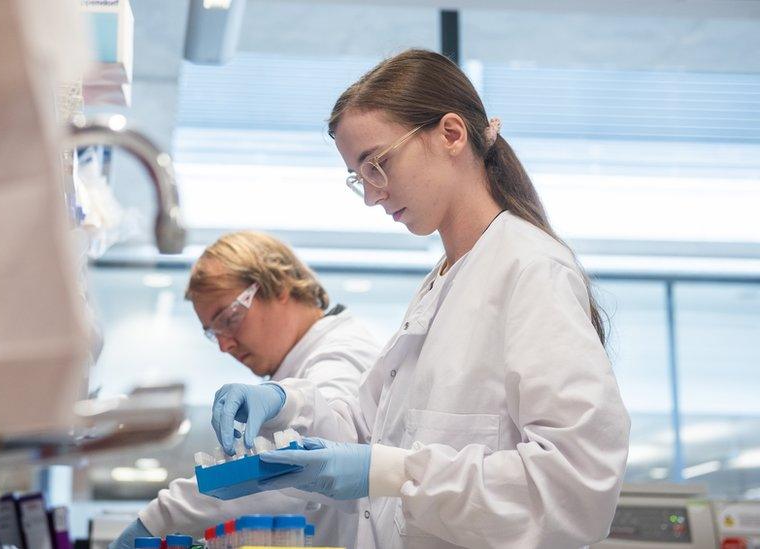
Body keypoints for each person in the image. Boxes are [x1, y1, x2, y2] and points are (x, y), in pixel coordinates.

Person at [210, 49, 631, 549]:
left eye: (379, 165)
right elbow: (374, 433)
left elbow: (576, 486)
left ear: (451, 134)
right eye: (359, 178)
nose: (372, 195)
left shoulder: (529, 269)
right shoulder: (444, 281)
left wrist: (392, 472)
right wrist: (286, 405)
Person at [110, 231, 380, 548]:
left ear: (278, 285)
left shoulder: (341, 354)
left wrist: (157, 519)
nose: (224, 345)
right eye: (213, 333)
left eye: (229, 318)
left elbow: (316, 456)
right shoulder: (301, 360)